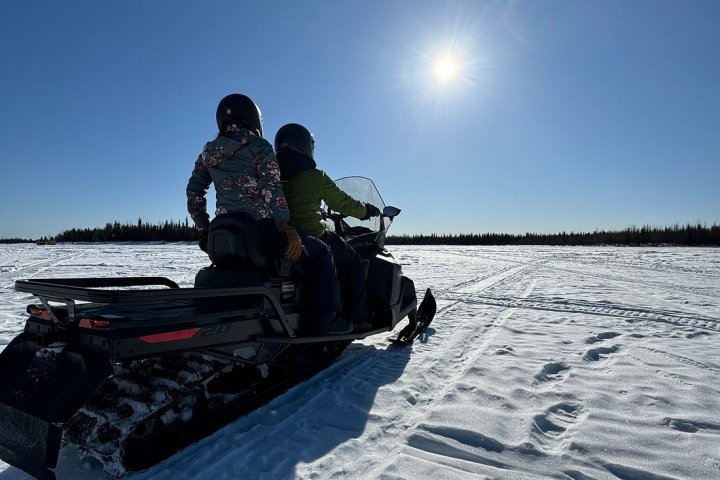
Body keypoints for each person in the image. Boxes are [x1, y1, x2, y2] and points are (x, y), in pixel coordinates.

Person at [186, 94, 351, 335]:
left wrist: (203, 227)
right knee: (321, 252)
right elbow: (272, 188)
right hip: (258, 230)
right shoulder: (258, 147)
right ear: (254, 119)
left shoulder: (208, 153)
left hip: (222, 234)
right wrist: (286, 226)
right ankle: (327, 320)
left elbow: (193, 190)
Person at [274, 123, 381, 332]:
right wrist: (367, 211)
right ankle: (357, 320)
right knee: (353, 263)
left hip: (283, 237)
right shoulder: (316, 176)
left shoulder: (273, 176)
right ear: (306, 146)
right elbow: (343, 203)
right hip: (314, 235)